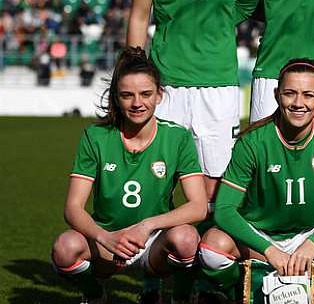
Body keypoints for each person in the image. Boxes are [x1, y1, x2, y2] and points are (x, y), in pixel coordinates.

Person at [198, 59, 314, 304]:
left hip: (311, 235)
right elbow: (224, 210)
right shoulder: (253, 141)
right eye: (290, 93)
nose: (298, 103)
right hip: (261, 237)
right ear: (277, 95)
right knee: (212, 249)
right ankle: (244, 294)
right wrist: (269, 251)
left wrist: (312, 243)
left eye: (308, 95)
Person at [127, 0, 248, 202]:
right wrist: (134, 72)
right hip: (168, 83)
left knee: (215, 186)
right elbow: (139, 17)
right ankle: (156, 249)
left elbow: (248, 6)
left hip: (219, 82)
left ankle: (209, 251)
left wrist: (220, 26)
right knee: (158, 177)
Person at [51, 47, 207, 304]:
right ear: (116, 97)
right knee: (64, 248)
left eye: (146, 94)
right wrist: (104, 237)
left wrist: (147, 226)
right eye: (127, 95)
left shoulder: (177, 137)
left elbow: (199, 207)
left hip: (155, 240)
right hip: (108, 242)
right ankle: (94, 295)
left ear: (159, 95)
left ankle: (180, 298)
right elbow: (72, 208)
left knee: (187, 238)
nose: (137, 103)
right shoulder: (96, 136)